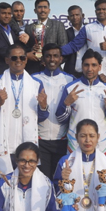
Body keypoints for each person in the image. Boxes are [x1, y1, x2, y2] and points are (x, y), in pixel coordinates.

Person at [0, 44, 48, 174]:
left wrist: (43, 106)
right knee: (1, 182)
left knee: (25, 182)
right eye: (14, 58)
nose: (18, 61)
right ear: (7, 60)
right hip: (3, 145)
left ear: (26, 60)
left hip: (26, 146)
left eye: (22, 57)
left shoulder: (36, 84)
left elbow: (41, 118)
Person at [55, 50, 106, 156]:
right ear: (82, 66)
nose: (90, 69)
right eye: (86, 65)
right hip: (76, 145)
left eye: (94, 65)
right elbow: (60, 119)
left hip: (102, 145)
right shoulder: (70, 88)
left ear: (100, 67)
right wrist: (66, 104)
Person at [63, 0, 106, 91]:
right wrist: (57, 51)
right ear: (95, 11)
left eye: (104, 9)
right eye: (99, 9)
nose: (101, 11)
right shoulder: (88, 28)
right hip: (94, 74)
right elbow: (74, 46)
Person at [33, 44, 75, 179]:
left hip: (62, 140)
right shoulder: (33, 79)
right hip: (39, 140)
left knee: (60, 180)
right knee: (42, 180)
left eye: (55, 56)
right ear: (43, 59)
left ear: (61, 59)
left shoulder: (70, 80)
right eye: (48, 56)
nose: (52, 59)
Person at [23, 0, 68, 74]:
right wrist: (31, 50)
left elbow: (64, 47)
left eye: (45, 7)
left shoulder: (58, 25)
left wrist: (53, 62)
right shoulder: (29, 28)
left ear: (49, 10)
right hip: (34, 68)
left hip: (54, 68)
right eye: (40, 7)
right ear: (35, 10)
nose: (42, 10)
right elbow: (25, 49)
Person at [0, 2, 29, 78]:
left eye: (9, 13)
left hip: (14, 71)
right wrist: (26, 55)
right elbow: (2, 50)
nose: (7, 16)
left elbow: (18, 46)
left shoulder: (13, 29)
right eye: (3, 13)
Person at [63, 5, 86, 77]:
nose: (75, 17)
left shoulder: (89, 30)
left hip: (89, 71)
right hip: (71, 72)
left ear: (82, 15)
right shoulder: (65, 33)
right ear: (68, 18)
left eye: (77, 15)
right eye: (72, 15)